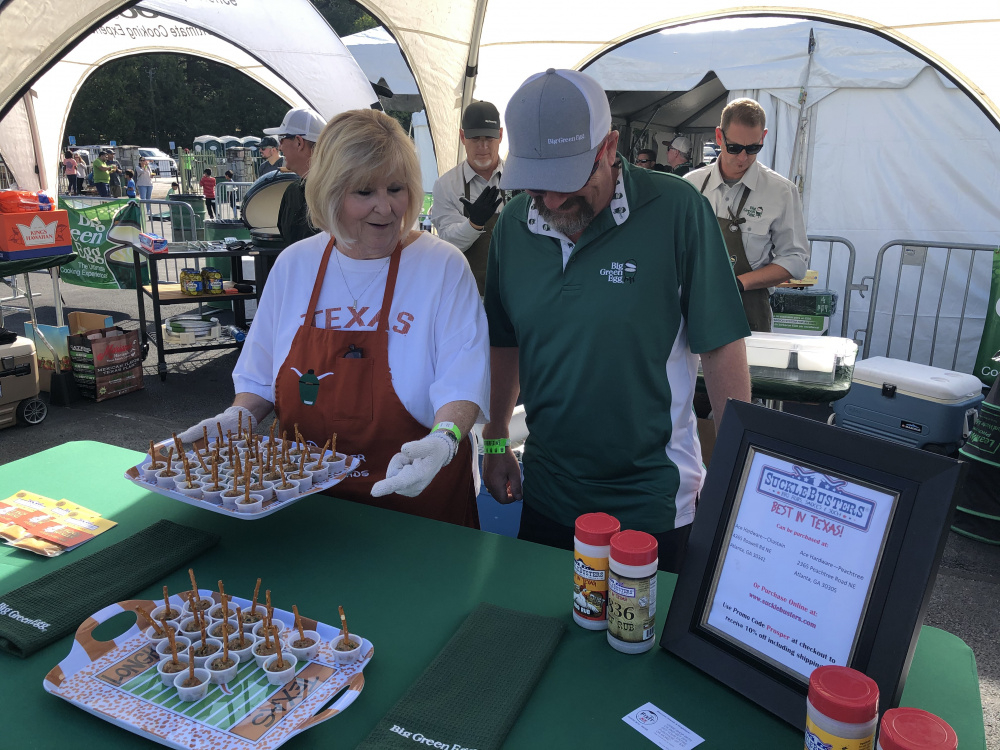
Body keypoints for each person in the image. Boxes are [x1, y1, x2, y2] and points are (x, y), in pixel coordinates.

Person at [483, 69, 752, 572]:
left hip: (653, 503)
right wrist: (496, 437)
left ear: (610, 147)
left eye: (569, 181)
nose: (553, 202)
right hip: (546, 495)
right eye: (537, 186)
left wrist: (736, 468)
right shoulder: (513, 227)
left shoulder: (677, 211)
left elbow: (720, 346)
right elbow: (505, 342)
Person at [172, 109, 489, 528]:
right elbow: (260, 376)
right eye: (364, 192)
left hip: (417, 498)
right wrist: (239, 417)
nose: (385, 207)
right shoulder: (295, 265)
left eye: (396, 189)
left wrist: (444, 441)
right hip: (304, 499)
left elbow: (463, 379)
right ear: (330, 192)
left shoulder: (442, 267)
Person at [685, 98, 808, 331]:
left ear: (763, 137)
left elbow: (795, 260)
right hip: (692, 306)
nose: (743, 158)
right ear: (719, 137)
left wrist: (738, 284)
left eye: (753, 149)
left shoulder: (781, 192)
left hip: (748, 312)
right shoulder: (690, 185)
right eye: (734, 148)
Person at [431, 101, 506, 294]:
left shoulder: (520, 180)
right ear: (462, 137)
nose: (483, 146)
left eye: (489, 138)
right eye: (475, 138)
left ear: (500, 135)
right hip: (469, 295)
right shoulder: (446, 186)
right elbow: (448, 244)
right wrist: (474, 224)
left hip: (515, 293)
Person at [263, 107, 326, 246]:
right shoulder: (293, 192)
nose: (280, 147)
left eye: (281, 139)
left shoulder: (336, 193)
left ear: (299, 142)